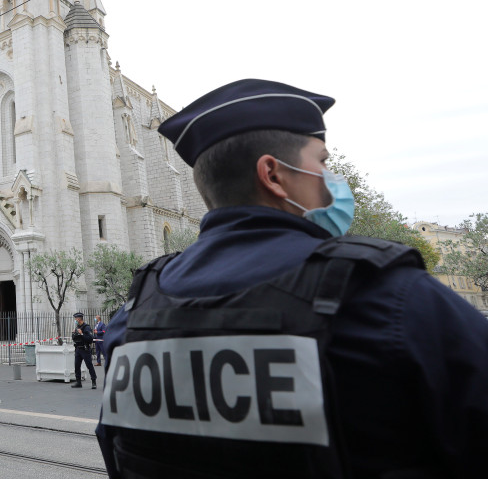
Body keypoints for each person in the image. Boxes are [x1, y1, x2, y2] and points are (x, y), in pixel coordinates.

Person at [96, 78, 488, 478]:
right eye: (321, 161)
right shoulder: (392, 299)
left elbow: (117, 452)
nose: (331, 178)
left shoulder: (131, 321)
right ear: (273, 174)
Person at [71, 312, 97, 389]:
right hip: (78, 349)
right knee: (77, 366)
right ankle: (78, 382)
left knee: (89, 365)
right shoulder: (77, 327)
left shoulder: (86, 327)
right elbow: (74, 338)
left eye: (76, 318)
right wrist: (73, 333)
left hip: (85, 349)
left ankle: (93, 381)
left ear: (79, 319)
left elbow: (90, 339)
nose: (75, 320)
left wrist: (82, 334)